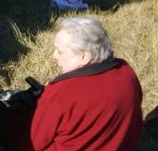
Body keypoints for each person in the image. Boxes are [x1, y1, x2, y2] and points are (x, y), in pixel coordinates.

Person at [30, 17, 143, 151]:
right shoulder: (126, 71)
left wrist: (8, 115)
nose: (54, 56)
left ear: (84, 57)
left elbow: (31, 142)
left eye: (60, 51)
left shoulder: (60, 94)